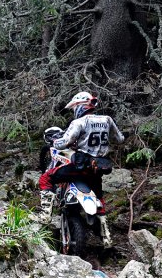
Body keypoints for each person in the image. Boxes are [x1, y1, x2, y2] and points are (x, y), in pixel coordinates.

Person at [38, 91, 125, 247]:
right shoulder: (107, 119)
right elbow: (119, 139)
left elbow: (64, 142)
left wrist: (55, 142)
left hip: (80, 166)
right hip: (99, 167)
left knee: (46, 178)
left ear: (80, 106)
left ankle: (45, 215)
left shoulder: (79, 122)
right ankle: (106, 237)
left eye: (74, 108)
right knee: (98, 195)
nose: (74, 111)